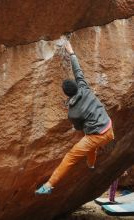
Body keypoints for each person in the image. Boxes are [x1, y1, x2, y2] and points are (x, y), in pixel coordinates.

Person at [35, 40, 114, 195]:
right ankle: (91, 164)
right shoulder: (84, 88)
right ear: (77, 86)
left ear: (66, 94)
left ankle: (49, 185)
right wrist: (71, 52)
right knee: (89, 140)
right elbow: (78, 71)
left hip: (96, 136)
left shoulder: (73, 112)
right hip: (109, 128)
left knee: (71, 156)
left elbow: (78, 127)